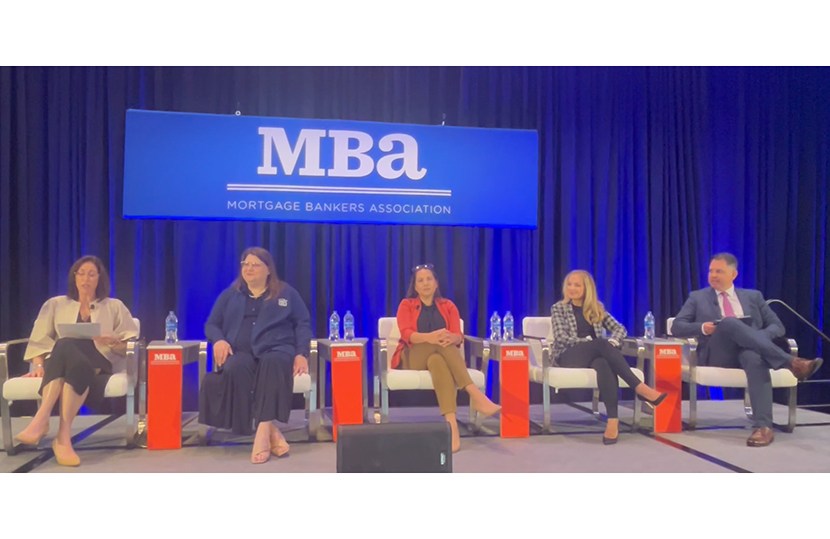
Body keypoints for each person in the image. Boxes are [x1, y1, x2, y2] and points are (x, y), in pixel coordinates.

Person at [672, 252, 823, 447]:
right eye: (711, 271)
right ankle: (791, 363)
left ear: (733, 274)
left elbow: (777, 326)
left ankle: (764, 428)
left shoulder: (753, 296)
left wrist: (756, 338)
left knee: (754, 359)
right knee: (729, 323)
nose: (713, 275)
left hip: (749, 352)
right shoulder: (697, 297)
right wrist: (703, 327)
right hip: (719, 353)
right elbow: (677, 326)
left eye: (719, 271)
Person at [14, 255, 139, 466]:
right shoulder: (55, 304)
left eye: (91, 274)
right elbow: (39, 339)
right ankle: (63, 438)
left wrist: (110, 340)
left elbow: (130, 343)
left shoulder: (114, 306)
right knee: (65, 346)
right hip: (67, 364)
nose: (85, 279)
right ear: (74, 277)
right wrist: (38, 365)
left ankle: (41, 419)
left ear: (99, 278)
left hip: (98, 362)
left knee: (64, 344)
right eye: (80, 274)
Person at [200, 247, 312, 464]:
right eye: (245, 264)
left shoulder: (286, 293)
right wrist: (220, 340)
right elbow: (211, 324)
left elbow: (303, 324)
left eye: (255, 265)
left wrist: (301, 353)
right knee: (235, 367)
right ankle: (271, 431)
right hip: (241, 351)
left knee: (272, 363)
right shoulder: (230, 295)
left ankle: (261, 433)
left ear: (268, 270)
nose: (249, 269)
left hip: (277, 349)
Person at [392, 264, 500, 453]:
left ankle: (452, 429)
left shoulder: (448, 306)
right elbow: (407, 334)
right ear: (415, 287)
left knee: (438, 360)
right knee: (439, 341)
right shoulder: (406, 305)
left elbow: (458, 336)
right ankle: (475, 395)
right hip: (412, 356)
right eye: (420, 280)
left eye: (429, 279)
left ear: (436, 283)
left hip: (437, 355)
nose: (425, 283)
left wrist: (452, 338)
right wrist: (432, 337)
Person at [551, 270, 667, 444]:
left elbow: (620, 329)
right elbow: (561, 338)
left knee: (603, 363)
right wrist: (589, 342)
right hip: (568, 355)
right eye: (569, 284)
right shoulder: (559, 308)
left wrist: (614, 341)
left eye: (577, 285)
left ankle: (613, 421)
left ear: (587, 288)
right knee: (601, 344)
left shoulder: (597, 308)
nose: (572, 288)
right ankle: (640, 388)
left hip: (594, 356)